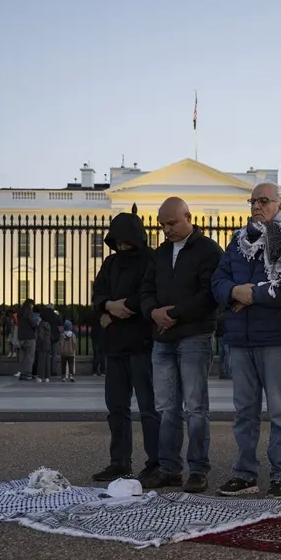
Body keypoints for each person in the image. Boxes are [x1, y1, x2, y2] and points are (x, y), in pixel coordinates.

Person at [210, 182, 281, 499]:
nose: (256, 206)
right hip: (240, 337)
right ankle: (245, 473)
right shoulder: (238, 241)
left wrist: (254, 294)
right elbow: (218, 280)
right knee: (244, 413)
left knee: (280, 412)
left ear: (280, 204)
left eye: (263, 201)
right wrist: (235, 292)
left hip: (277, 336)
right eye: (252, 201)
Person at [139, 196, 224, 493]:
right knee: (166, 407)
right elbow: (146, 289)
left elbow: (209, 294)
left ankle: (199, 470)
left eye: (172, 223)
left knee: (196, 407)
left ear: (188, 216)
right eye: (162, 225)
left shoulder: (209, 250)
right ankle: (169, 468)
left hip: (194, 336)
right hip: (162, 339)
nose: (166, 230)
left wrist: (172, 314)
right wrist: (153, 312)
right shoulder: (159, 253)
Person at [90, 210, 161, 483]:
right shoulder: (110, 263)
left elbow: (148, 293)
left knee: (148, 408)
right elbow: (98, 292)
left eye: (125, 240)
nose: (121, 246)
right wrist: (108, 306)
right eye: (117, 241)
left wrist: (120, 309)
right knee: (116, 408)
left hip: (142, 343)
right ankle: (119, 461)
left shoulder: (150, 260)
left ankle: (155, 462)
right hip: (115, 345)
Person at [16, 300, 38, 380]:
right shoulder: (28, 312)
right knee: (29, 357)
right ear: (30, 304)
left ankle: (22, 373)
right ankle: (27, 373)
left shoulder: (19, 312)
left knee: (23, 356)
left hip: (21, 336)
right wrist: (37, 324)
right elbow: (32, 323)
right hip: (29, 337)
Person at [34, 310, 53, 383]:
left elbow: (40, 336)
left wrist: (38, 345)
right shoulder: (48, 325)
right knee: (47, 362)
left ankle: (39, 376)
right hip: (48, 344)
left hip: (42, 345)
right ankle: (47, 377)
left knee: (41, 362)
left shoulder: (40, 325)